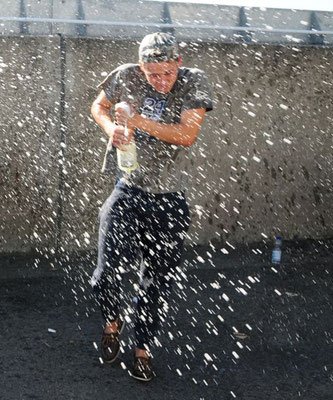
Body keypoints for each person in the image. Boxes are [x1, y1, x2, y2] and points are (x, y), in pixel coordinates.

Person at [88, 32, 214, 382]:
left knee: (156, 282)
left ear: (179, 61)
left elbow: (187, 134)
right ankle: (112, 322)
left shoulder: (194, 81)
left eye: (166, 73)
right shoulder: (125, 74)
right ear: (140, 66)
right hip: (127, 188)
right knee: (105, 272)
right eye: (151, 73)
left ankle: (142, 348)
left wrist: (137, 121)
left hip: (170, 198)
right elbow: (98, 106)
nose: (159, 80)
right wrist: (112, 127)